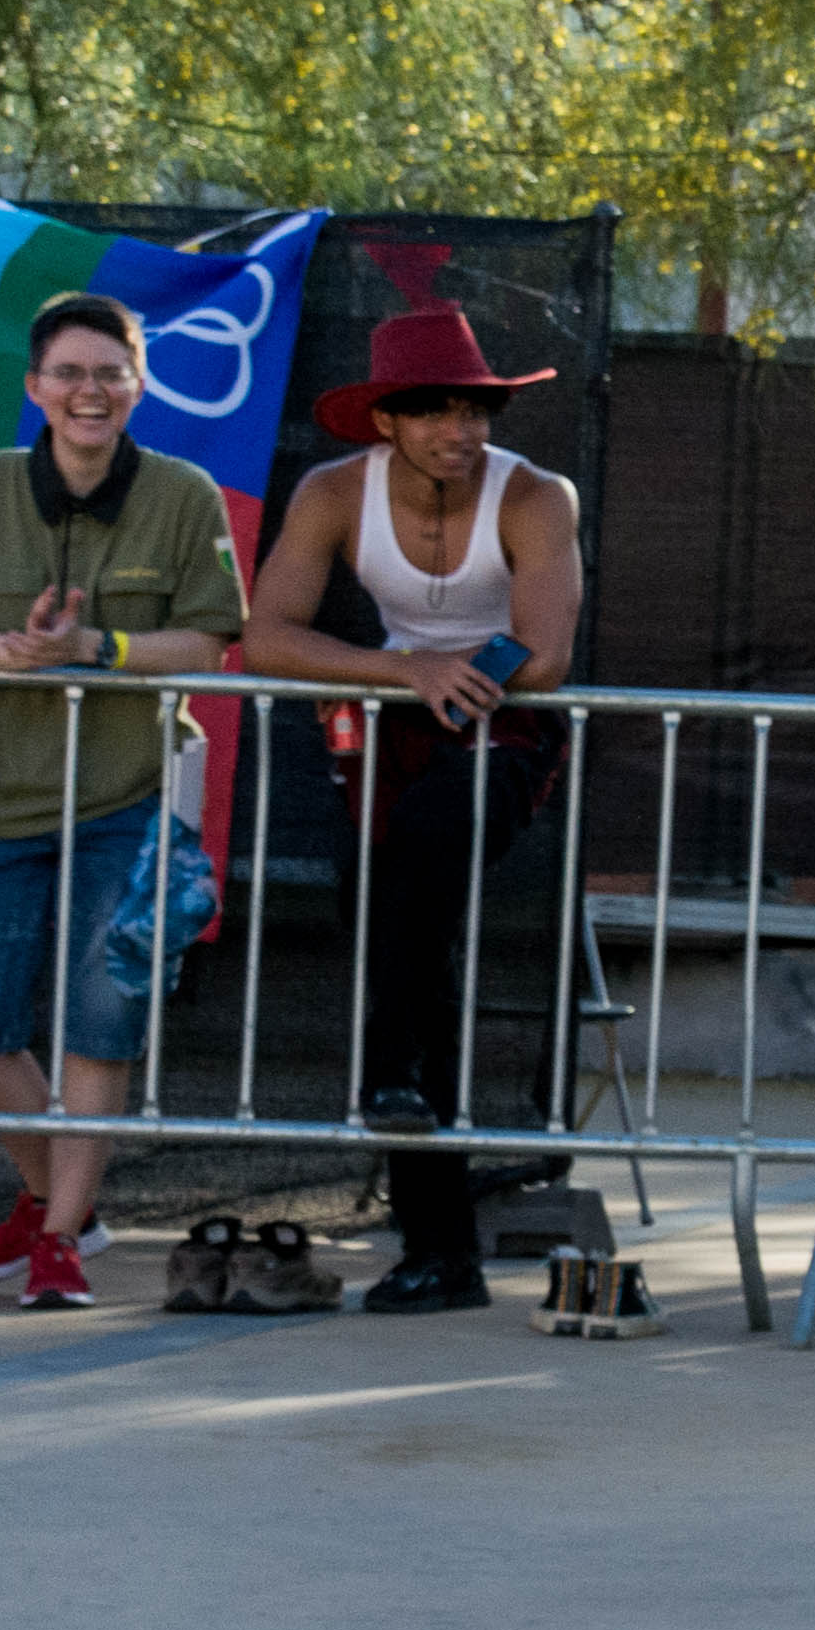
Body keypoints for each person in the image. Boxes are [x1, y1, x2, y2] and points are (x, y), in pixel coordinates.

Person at [238, 301, 585, 1314]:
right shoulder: (331, 491)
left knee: (425, 864)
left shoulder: (535, 494)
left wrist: (457, 681)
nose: (459, 431)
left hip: (505, 714)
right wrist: (404, 670)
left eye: (474, 408)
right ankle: (439, 1251)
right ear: (384, 418)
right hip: (393, 712)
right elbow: (267, 636)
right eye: (432, 411)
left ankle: (387, 1072)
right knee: (396, 942)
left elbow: (549, 652)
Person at [0, 292, 247, 1309]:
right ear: (35, 386)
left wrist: (100, 647)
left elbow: (211, 640)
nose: (89, 392)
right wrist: (16, 652)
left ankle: (54, 1239)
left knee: (102, 1024)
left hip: (130, 800)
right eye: (69, 373)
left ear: (139, 385)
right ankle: (62, 1197)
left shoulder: (187, 493)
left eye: (110, 373)